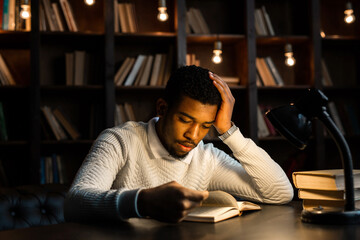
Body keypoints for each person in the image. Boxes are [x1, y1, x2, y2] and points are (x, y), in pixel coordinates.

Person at [64, 65, 293, 223]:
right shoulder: (121, 140)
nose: (193, 136)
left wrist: (228, 131)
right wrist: (143, 202)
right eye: (185, 120)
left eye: (206, 125)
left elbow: (280, 193)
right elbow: (74, 203)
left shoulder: (206, 158)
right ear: (162, 108)